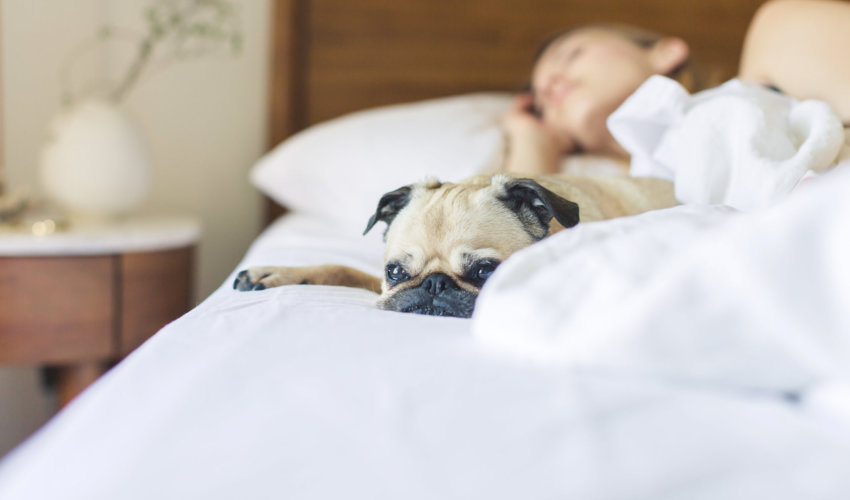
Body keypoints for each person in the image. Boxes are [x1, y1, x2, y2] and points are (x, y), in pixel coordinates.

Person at [502, 0, 850, 176]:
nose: (548, 83)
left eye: (570, 55)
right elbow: (501, 242)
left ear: (665, 52)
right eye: (541, 102)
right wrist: (531, 140)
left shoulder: (776, 39)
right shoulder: (626, 211)